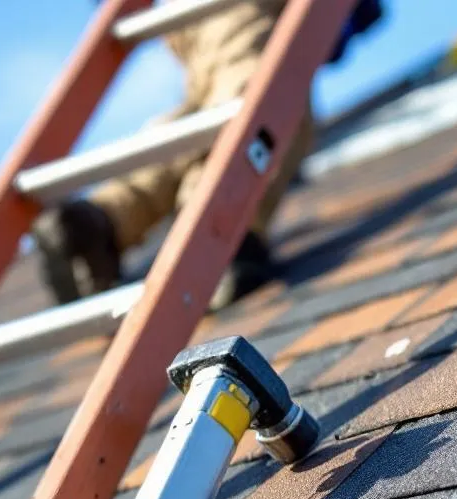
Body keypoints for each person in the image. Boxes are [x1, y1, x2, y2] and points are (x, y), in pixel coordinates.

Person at [31, 0, 383, 311]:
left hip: (186, 20)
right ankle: (220, 230)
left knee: (199, 120)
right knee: (271, 103)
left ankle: (101, 221)